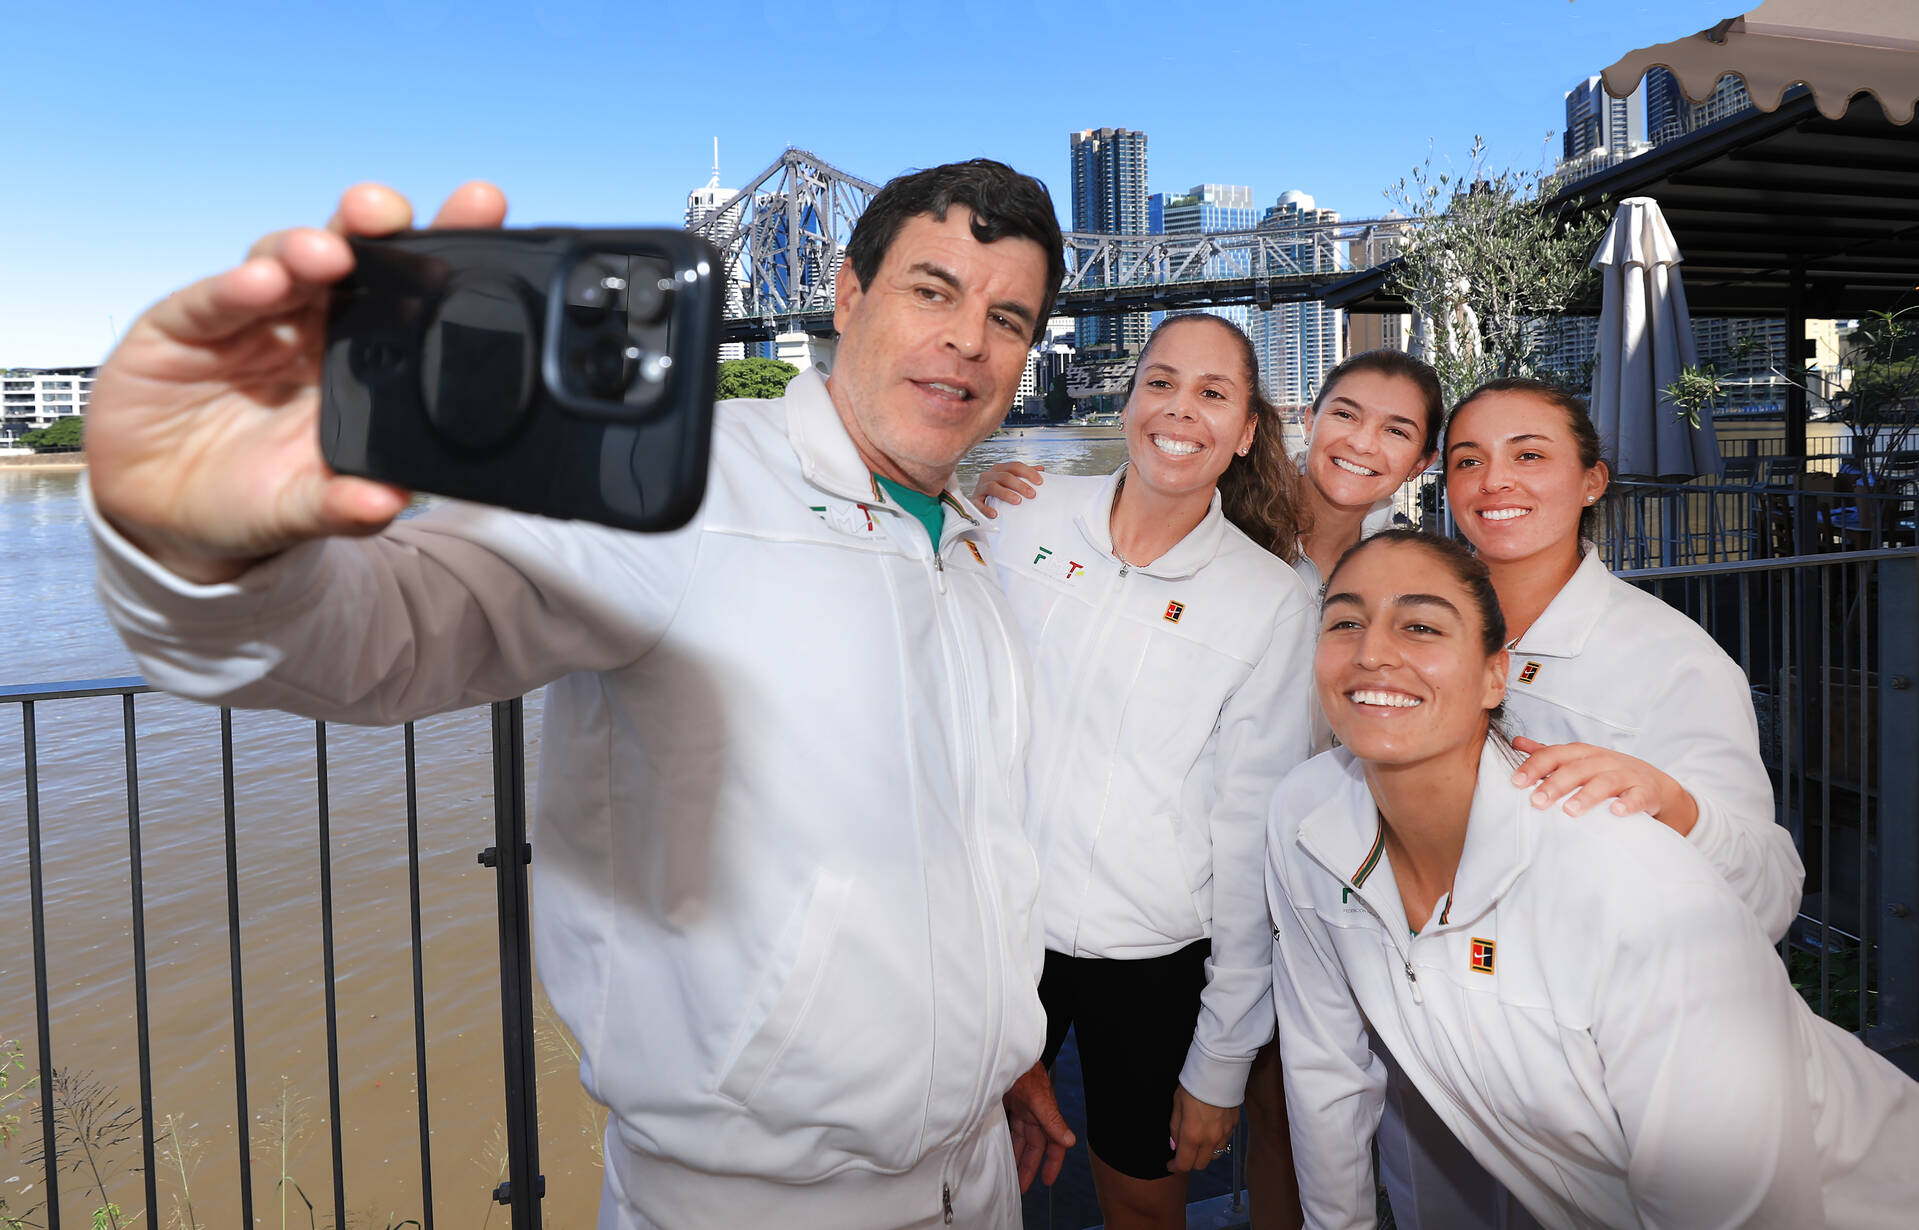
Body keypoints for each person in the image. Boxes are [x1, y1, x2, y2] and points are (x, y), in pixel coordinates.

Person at [83, 161, 1079, 1230]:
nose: (969, 340)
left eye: (1007, 317)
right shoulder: (679, 482)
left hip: (976, 1173)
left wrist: (990, 1052)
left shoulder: (969, 553)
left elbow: (958, 856)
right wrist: (195, 556)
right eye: (931, 291)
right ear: (846, 294)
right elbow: (387, 630)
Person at [1268, 529, 1919, 1229]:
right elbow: (1322, 1064)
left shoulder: (1634, 887)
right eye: (1344, 622)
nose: (1372, 653)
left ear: (1496, 674)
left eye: (1420, 626)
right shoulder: (1306, 818)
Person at [977, 346, 1444, 1230]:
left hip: (1292, 879)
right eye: (1346, 413)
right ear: (1302, 423)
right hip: (1040, 914)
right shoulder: (1071, 522)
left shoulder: (1373, 580)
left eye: (1397, 431)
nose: (1362, 442)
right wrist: (979, 499)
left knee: (1294, 1122)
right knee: (975, 1169)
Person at [1371, 378, 1810, 1230]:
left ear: (1592, 482)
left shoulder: (1671, 662)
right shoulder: (1406, 638)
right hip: (1436, 1045)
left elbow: (1770, 894)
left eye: (1529, 455)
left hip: (1603, 1067)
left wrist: (1674, 804)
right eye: (1468, 460)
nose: (1494, 481)